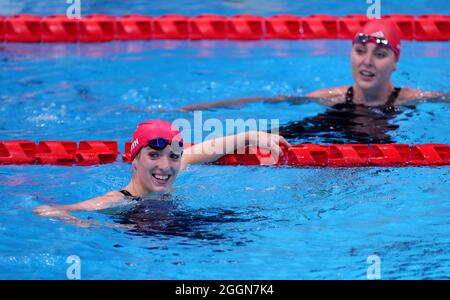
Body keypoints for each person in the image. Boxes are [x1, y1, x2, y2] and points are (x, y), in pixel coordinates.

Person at [176, 19, 448, 143]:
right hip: (332, 133)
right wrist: (195, 109)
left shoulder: (410, 98)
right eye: (360, 51)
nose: (367, 61)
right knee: (265, 136)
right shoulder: (334, 96)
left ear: (395, 63)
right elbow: (267, 101)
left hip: (381, 149)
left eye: (380, 55)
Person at [33, 119, 290, 227]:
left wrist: (249, 135)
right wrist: (88, 225)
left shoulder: (171, 169)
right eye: (153, 155)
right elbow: (47, 210)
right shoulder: (119, 200)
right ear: (134, 159)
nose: (165, 167)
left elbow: (203, 150)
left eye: (173, 157)